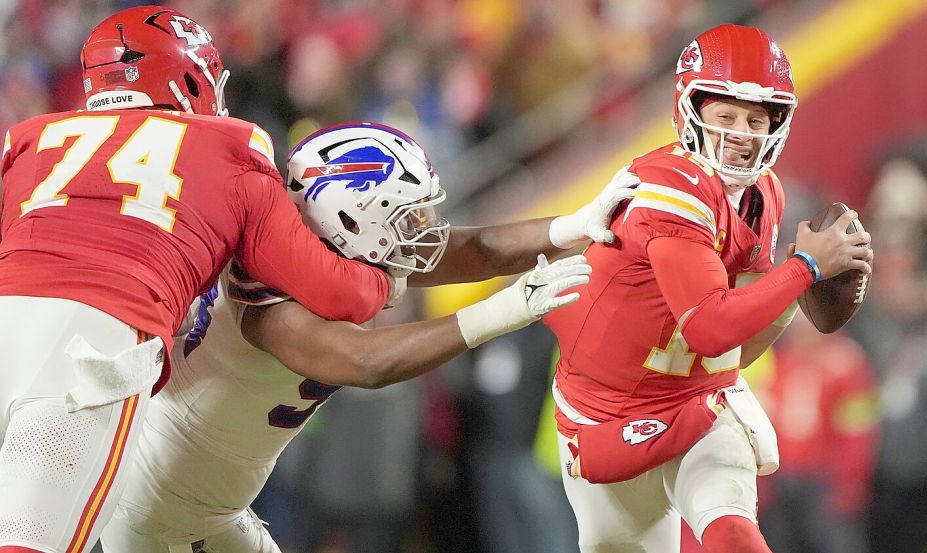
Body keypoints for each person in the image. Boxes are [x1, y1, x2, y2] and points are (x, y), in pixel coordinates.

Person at [96, 121, 634, 553]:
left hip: (209, 503)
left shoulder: (333, 255)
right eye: (407, 218)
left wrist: (576, 225)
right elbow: (364, 361)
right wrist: (505, 310)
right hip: (160, 508)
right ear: (349, 218)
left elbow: (473, 248)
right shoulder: (263, 293)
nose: (422, 230)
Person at [0, 7, 402, 553]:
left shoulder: (29, 136)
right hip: (93, 344)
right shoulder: (231, 146)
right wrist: (388, 281)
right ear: (189, 75)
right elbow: (336, 289)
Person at [541, 23, 874, 553]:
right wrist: (805, 267)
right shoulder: (668, 188)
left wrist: (789, 296)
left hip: (698, 396)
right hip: (607, 412)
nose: (741, 132)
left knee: (736, 532)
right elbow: (710, 327)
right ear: (690, 111)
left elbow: (736, 348)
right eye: (726, 115)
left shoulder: (765, 193)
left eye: (755, 118)